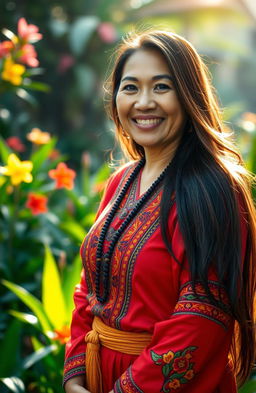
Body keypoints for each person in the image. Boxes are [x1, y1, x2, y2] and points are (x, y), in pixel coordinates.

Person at [63, 30, 256, 393]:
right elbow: (90, 288)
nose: (144, 102)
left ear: (189, 96)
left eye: (162, 87)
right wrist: (74, 374)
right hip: (94, 376)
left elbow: (202, 317)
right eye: (131, 87)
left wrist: (126, 390)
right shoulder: (121, 181)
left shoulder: (213, 190)